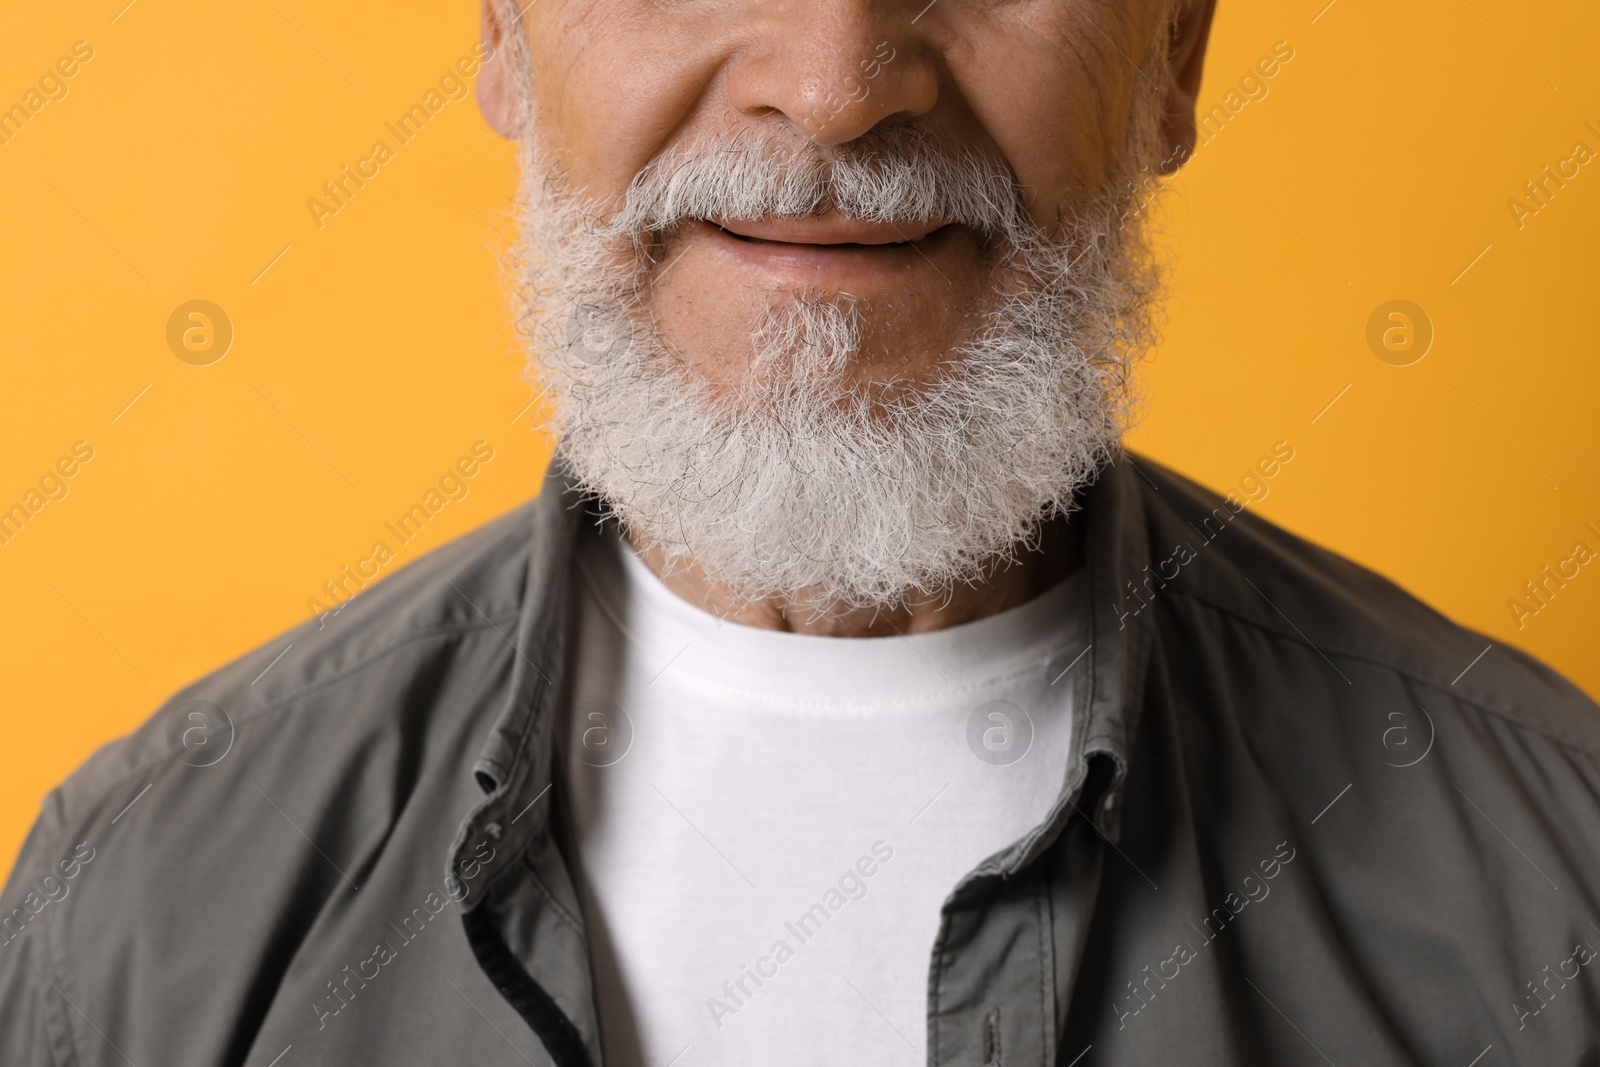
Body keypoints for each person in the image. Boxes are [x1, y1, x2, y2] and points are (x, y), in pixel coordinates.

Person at [4, 0, 1598, 1063]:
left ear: (1174, 50)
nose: (834, 89)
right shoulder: (140, 916)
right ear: (500, 30)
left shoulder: (1555, 892)